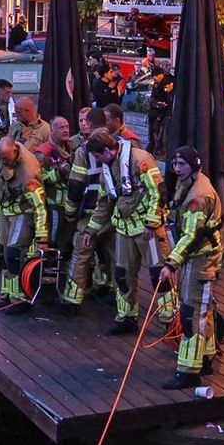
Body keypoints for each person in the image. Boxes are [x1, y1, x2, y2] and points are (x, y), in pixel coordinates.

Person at [82, 129, 177, 335]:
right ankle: (126, 317)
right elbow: (104, 203)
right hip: (124, 229)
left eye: (98, 156)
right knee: (122, 274)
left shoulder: (140, 160)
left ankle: (170, 319)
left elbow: (158, 192)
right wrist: (92, 230)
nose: (97, 161)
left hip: (147, 230)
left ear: (107, 150)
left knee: (159, 275)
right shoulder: (107, 170)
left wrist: (152, 223)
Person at [159, 147, 224, 389]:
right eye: (175, 164)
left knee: (191, 313)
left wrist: (170, 263)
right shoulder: (188, 182)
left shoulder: (199, 195)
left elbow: (192, 234)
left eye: (182, 164)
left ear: (194, 165)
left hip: (201, 258)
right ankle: (205, 356)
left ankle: (188, 370)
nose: (177, 169)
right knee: (201, 310)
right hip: (194, 256)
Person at [0, 137, 47, 315]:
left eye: (5, 159)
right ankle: (8, 294)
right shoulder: (3, 153)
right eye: (1, 159)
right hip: (7, 211)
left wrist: (43, 237)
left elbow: (40, 207)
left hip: (23, 213)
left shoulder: (28, 174)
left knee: (14, 254)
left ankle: (21, 299)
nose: (3, 162)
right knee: (3, 253)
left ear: (15, 151)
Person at [60, 109, 116, 315]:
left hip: (91, 210)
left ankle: (72, 299)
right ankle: (116, 295)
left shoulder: (84, 150)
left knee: (81, 253)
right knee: (113, 253)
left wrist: (70, 212)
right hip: (114, 211)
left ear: (91, 125)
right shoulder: (117, 144)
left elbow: (76, 185)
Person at [36, 116, 78, 259]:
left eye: (67, 126)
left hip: (72, 202)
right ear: (51, 130)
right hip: (55, 203)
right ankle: (51, 267)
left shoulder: (72, 147)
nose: (65, 130)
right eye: (61, 127)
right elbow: (39, 179)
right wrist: (59, 172)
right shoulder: (43, 152)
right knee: (55, 240)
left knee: (69, 242)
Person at [148, 67, 174, 157]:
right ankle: (153, 149)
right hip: (154, 111)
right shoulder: (156, 84)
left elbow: (167, 99)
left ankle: (159, 150)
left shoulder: (167, 82)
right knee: (153, 132)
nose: (155, 78)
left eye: (156, 76)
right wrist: (156, 104)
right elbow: (153, 97)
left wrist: (161, 104)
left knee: (160, 131)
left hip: (163, 113)